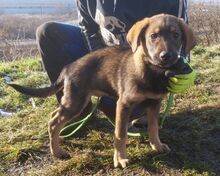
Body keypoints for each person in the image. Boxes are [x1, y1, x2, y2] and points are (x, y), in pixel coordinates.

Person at [36, 0, 194, 125]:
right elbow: (88, 28)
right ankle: (77, 108)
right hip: (109, 59)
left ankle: (137, 111)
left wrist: (181, 68)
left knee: (130, 113)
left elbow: (180, 37)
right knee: (47, 32)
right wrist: (97, 67)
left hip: (142, 68)